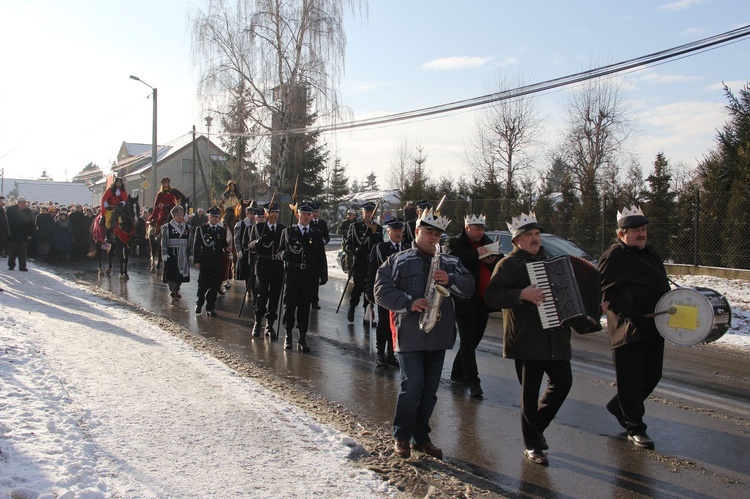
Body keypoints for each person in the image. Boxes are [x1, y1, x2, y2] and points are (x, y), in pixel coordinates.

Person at [374, 208, 474, 460]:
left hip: (439, 335)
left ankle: (421, 436)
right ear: (417, 232)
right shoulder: (397, 261)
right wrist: (409, 302)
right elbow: (381, 291)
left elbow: (470, 287)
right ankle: (401, 436)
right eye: (429, 233)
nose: (434, 239)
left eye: (438, 235)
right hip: (409, 335)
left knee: (430, 391)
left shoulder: (450, 262)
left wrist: (450, 279)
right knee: (412, 386)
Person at [484, 212, 572, 466]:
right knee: (529, 393)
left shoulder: (552, 261)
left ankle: (537, 428)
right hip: (526, 338)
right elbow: (492, 296)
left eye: (537, 235)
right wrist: (521, 294)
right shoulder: (508, 264)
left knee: (563, 382)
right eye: (529, 236)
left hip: (556, 336)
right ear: (517, 240)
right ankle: (532, 445)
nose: (535, 239)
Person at [599, 205, 671, 450]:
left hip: (654, 324)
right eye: (635, 230)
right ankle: (635, 426)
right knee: (630, 379)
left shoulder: (649, 252)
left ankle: (619, 406)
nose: (641, 234)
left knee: (653, 374)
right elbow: (606, 291)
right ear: (621, 234)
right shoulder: (614, 256)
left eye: (643, 229)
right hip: (627, 328)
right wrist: (631, 314)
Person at [444, 214, 499, 398]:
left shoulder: (488, 243)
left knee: (474, 340)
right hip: (464, 301)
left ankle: (457, 372)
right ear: (467, 228)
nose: (480, 232)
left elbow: (501, 262)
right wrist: (478, 254)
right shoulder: (455, 242)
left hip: (483, 302)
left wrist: (492, 264)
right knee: (468, 341)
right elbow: (452, 259)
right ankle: (473, 381)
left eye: (482, 229)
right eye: (477, 229)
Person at [277, 203, 328, 351]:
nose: (306, 217)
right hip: (293, 274)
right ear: (298, 215)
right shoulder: (288, 232)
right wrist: (282, 255)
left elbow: (320, 257)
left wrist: (322, 275)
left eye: (309, 215)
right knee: (290, 306)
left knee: (305, 308)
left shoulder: (316, 233)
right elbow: (279, 251)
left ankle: (302, 337)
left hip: (309, 276)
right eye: (303, 214)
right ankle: (288, 334)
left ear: (312, 216)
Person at [366, 218, 405, 368]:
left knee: (397, 324)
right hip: (385, 292)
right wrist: (370, 290)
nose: (398, 232)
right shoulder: (380, 248)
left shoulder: (407, 248)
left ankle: (391, 354)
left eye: (400, 230)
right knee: (384, 324)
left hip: (401, 293)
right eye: (395, 230)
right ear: (388, 232)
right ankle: (380, 354)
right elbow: (372, 271)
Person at [247, 202, 285, 339]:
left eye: (277, 212)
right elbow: (250, 245)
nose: (275, 215)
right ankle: (258, 321)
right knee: (262, 294)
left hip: (277, 265)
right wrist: (257, 243)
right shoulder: (258, 227)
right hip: (263, 263)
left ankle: (270, 324)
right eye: (273, 212)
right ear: (267, 214)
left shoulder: (282, 229)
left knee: (275, 295)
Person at [344, 202, 383, 324]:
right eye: (367, 212)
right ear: (362, 213)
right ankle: (352, 306)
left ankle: (367, 315)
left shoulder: (378, 228)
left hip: (372, 262)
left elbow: (380, 245)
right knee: (359, 286)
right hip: (360, 261)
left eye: (372, 212)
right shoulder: (355, 227)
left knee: (370, 288)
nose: (369, 215)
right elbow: (348, 244)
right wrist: (355, 250)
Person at [193, 207, 230, 317]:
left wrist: (226, 248)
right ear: (208, 216)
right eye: (213, 216)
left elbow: (223, 244)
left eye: (217, 217)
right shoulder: (201, 229)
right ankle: (199, 304)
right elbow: (196, 246)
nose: (215, 218)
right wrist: (197, 260)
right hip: (205, 262)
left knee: (215, 286)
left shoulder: (221, 231)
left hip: (217, 262)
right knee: (203, 284)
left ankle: (210, 307)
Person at [161, 205, 192, 299]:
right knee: (172, 273)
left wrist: (191, 253)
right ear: (173, 216)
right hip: (172, 253)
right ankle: (172, 290)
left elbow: (190, 241)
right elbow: (164, 241)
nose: (180, 216)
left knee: (181, 274)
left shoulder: (188, 228)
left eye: (181, 215)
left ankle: (177, 288)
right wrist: (164, 253)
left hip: (183, 253)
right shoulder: (167, 227)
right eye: (178, 215)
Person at [309, 201, 330, 310]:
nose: (315, 214)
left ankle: (315, 301)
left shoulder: (322, 223)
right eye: (313, 212)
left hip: (319, 253)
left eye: (317, 211)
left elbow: (327, 236)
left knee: (316, 279)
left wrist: (324, 241)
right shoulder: (308, 222)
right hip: (309, 253)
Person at [6, 197, 35, 271]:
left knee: (23, 252)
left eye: (24, 202)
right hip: (13, 234)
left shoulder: (28, 211)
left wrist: (30, 234)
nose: (24, 204)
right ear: (18, 202)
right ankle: (11, 265)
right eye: (22, 202)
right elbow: (8, 222)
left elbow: (31, 223)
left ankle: (22, 266)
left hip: (23, 235)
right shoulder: (10, 210)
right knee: (12, 251)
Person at [234, 204, 256, 294]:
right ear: (247, 214)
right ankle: (248, 289)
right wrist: (238, 250)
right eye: (251, 214)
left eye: (254, 214)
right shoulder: (240, 224)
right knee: (246, 272)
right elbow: (237, 239)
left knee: (253, 271)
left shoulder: (256, 225)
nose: (253, 216)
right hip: (244, 251)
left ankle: (253, 288)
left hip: (254, 252)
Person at [337, 208, 357, 272]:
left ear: (354, 216)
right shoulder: (344, 223)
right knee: (349, 255)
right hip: (346, 242)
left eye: (351, 215)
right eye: (348, 214)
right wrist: (345, 231)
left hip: (355, 242)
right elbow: (338, 231)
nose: (349, 216)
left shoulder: (356, 223)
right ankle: (349, 268)